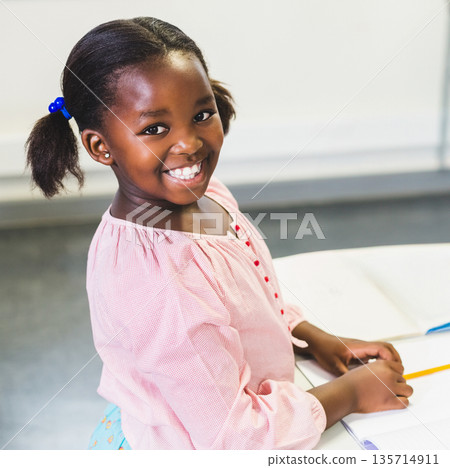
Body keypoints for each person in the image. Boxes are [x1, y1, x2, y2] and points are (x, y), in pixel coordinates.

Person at [26, 17, 413, 450]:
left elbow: (246, 293)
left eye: (201, 114)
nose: (189, 143)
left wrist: (311, 338)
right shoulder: (160, 284)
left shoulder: (203, 197)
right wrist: (351, 394)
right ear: (101, 147)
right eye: (155, 128)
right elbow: (231, 439)